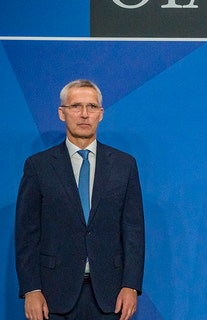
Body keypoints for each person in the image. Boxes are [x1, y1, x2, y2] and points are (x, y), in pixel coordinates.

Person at [15, 79, 145, 320]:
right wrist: (31, 289)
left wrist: (131, 286)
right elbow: (27, 235)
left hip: (110, 295)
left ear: (101, 114)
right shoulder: (38, 166)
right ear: (62, 113)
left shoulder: (124, 165)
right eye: (76, 106)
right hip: (53, 296)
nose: (84, 114)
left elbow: (133, 231)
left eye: (92, 107)